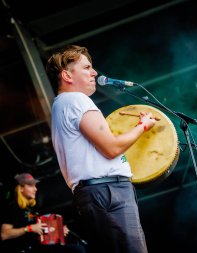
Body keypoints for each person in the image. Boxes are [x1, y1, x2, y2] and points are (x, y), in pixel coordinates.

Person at [47, 45, 156, 253]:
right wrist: (143, 127)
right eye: (87, 67)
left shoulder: (61, 105)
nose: (94, 73)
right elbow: (111, 148)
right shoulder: (77, 100)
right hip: (108, 191)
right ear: (67, 75)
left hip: (95, 193)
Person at [0, 173, 86, 253]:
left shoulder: (31, 209)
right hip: (25, 249)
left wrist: (58, 231)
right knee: (77, 250)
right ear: (21, 188)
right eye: (30, 186)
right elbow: (5, 234)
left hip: (39, 247)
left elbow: (39, 230)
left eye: (35, 186)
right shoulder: (12, 208)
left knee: (77, 248)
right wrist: (29, 228)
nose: (35, 189)